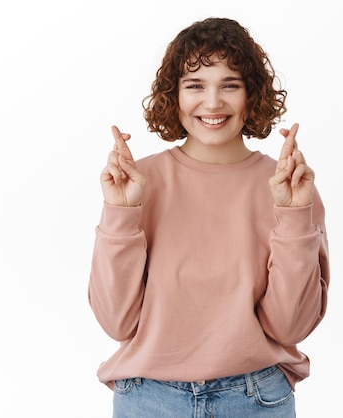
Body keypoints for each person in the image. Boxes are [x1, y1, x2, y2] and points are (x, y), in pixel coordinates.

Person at [88, 17, 330, 417]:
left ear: (251, 94)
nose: (213, 102)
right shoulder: (138, 181)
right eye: (195, 85)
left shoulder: (287, 187)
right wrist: (121, 213)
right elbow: (117, 322)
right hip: (148, 400)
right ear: (175, 95)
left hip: (256, 398)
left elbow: (290, 328)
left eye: (230, 85)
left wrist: (292, 216)